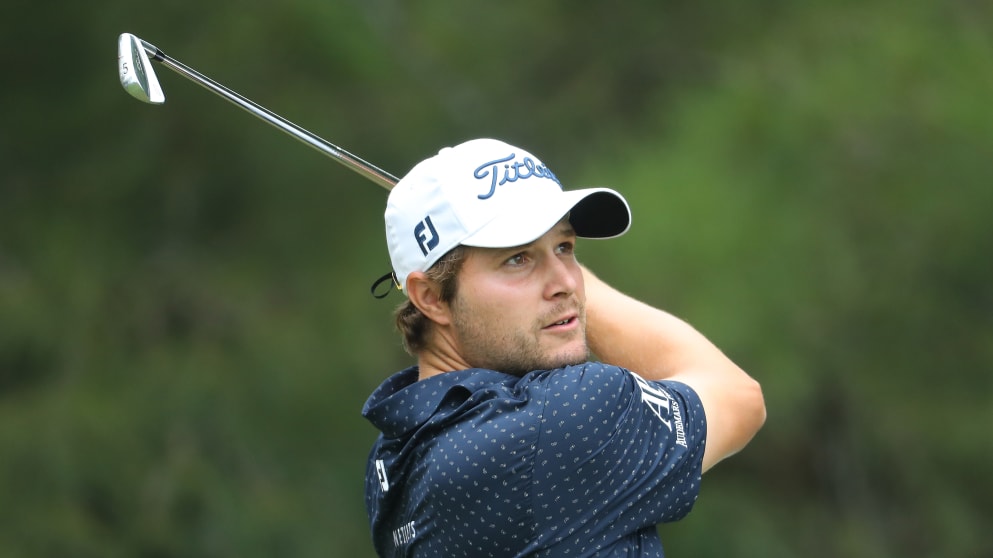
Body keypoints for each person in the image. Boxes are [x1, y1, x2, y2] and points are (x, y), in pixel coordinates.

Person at [362, 138, 766, 557]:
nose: (569, 283)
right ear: (430, 297)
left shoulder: (391, 461)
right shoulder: (564, 417)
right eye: (517, 258)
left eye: (565, 247)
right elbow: (737, 396)